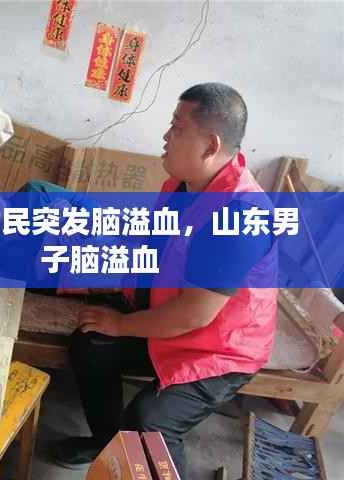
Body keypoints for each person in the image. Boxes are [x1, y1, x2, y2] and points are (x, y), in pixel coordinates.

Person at [52, 83, 278, 478]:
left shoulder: (240, 216)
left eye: (177, 127)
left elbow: (194, 316)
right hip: (173, 318)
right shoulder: (181, 185)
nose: (166, 136)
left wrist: (121, 324)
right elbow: (155, 248)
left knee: (150, 423)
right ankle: (106, 443)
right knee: (90, 342)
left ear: (210, 145)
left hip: (219, 347)